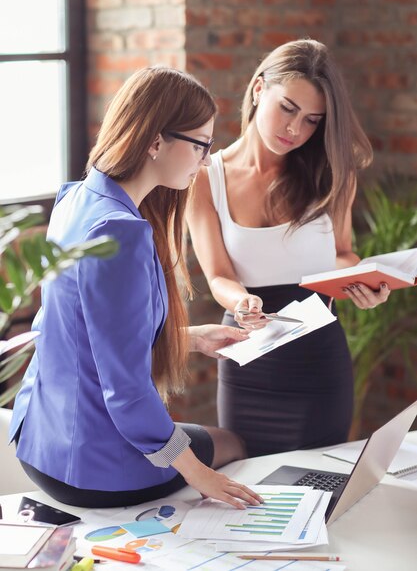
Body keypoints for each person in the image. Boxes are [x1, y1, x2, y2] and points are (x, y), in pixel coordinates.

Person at [9, 66, 263, 509]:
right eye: (201, 144)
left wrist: (189, 339)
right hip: (92, 467)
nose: (206, 160)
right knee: (235, 444)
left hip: (42, 443)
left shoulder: (77, 198)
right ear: (155, 141)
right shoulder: (121, 233)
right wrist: (201, 477)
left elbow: (81, 334)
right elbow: (126, 390)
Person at [186, 39, 391, 458]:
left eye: (313, 120)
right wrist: (242, 301)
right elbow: (219, 276)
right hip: (249, 354)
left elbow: (344, 252)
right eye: (288, 109)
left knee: (322, 485)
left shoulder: (331, 173)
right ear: (259, 89)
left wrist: (358, 282)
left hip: (319, 359)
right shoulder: (206, 178)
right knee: (250, 488)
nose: (296, 130)